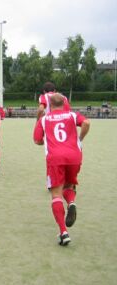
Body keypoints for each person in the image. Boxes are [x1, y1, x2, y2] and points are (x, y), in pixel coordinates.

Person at [34, 93, 90, 246]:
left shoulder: (45, 119)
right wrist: (80, 139)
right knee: (69, 185)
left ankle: (63, 232)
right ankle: (71, 202)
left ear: (50, 105)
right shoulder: (72, 115)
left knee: (56, 194)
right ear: (65, 103)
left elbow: (37, 140)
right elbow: (86, 123)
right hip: (74, 156)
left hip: (55, 159)